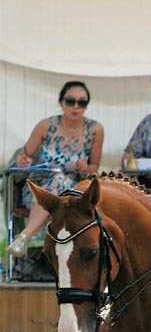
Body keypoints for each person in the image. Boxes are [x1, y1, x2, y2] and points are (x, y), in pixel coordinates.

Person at [7, 81, 104, 258]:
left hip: (75, 190)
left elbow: (94, 168)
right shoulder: (45, 125)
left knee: (60, 183)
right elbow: (24, 156)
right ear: (61, 102)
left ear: (86, 106)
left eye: (81, 102)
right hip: (41, 187)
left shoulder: (95, 129)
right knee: (53, 184)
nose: (76, 106)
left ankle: (24, 236)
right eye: (70, 101)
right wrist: (23, 161)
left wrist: (86, 168)